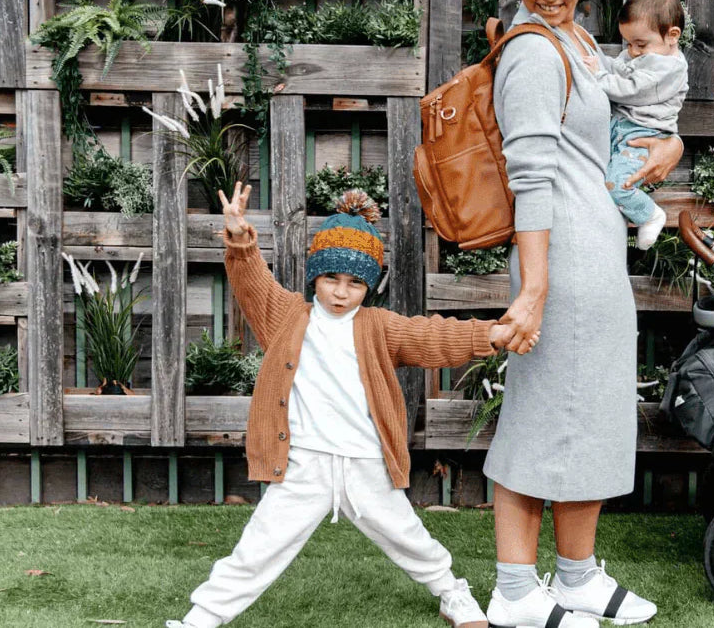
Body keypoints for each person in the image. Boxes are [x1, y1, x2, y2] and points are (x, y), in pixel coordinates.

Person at [165, 183, 511, 628]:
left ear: (369, 285)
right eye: (331, 278)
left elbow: (432, 335)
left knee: (409, 538)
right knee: (258, 548)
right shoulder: (286, 316)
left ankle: (451, 593)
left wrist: (490, 334)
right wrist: (239, 236)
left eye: (355, 283)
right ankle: (200, 619)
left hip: (366, 462)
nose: (341, 293)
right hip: (303, 464)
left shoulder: (380, 326)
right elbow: (252, 281)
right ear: (315, 276)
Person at [484, 0, 682, 628]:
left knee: (591, 419)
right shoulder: (533, 53)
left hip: (593, 255)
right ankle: (513, 590)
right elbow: (531, 177)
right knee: (539, 422)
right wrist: (536, 288)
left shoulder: (580, 42)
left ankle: (575, 577)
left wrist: (672, 146)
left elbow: (624, 129)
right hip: (560, 262)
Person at [598, 0, 690, 250]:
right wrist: (602, 64)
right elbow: (620, 68)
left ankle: (649, 215)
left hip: (643, 134)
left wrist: (597, 76)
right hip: (625, 127)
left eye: (640, 44)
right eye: (628, 43)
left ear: (672, 35)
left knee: (618, 184)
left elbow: (631, 89)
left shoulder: (668, 68)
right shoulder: (648, 54)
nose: (632, 51)